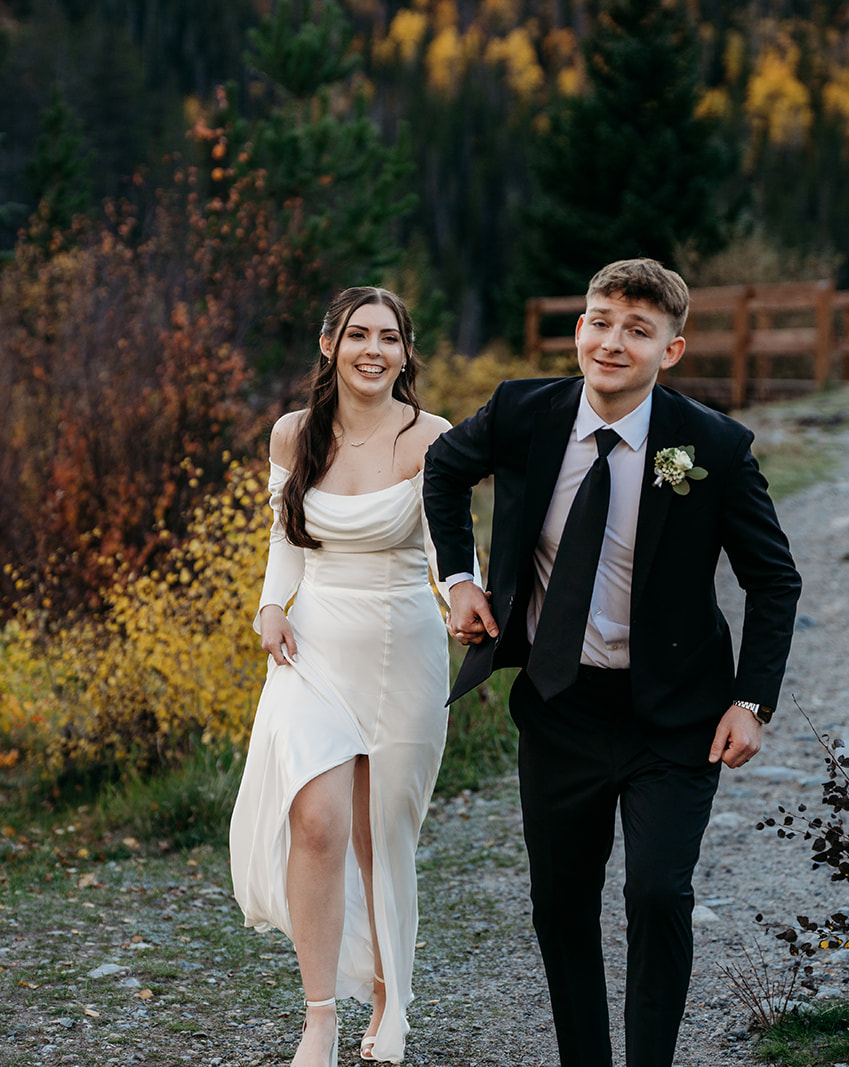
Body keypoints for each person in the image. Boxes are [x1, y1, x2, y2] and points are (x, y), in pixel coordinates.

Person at [423, 258, 802, 1067]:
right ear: (579, 329)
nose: (613, 341)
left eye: (638, 329)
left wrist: (753, 701)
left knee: (657, 893)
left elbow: (774, 579)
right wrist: (459, 580)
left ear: (672, 349)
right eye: (601, 320)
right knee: (561, 905)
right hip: (560, 704)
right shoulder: (525, 410)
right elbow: (445, 469)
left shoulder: (713, 446)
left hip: (677, 714)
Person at [230, 286, 460, 1066]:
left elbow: (443, 545)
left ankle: (393, 992)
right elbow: (285, 533)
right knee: (319, 821)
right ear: (328, 344)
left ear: (405, 351)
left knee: (381, 833)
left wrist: (464, 594)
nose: (373, 349)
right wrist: (272, 605)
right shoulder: (295, 434)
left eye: (388, 337)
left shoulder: (432, 436)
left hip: (404, 642)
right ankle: (320, 1015)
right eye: (357, 334)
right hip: (315, 645)